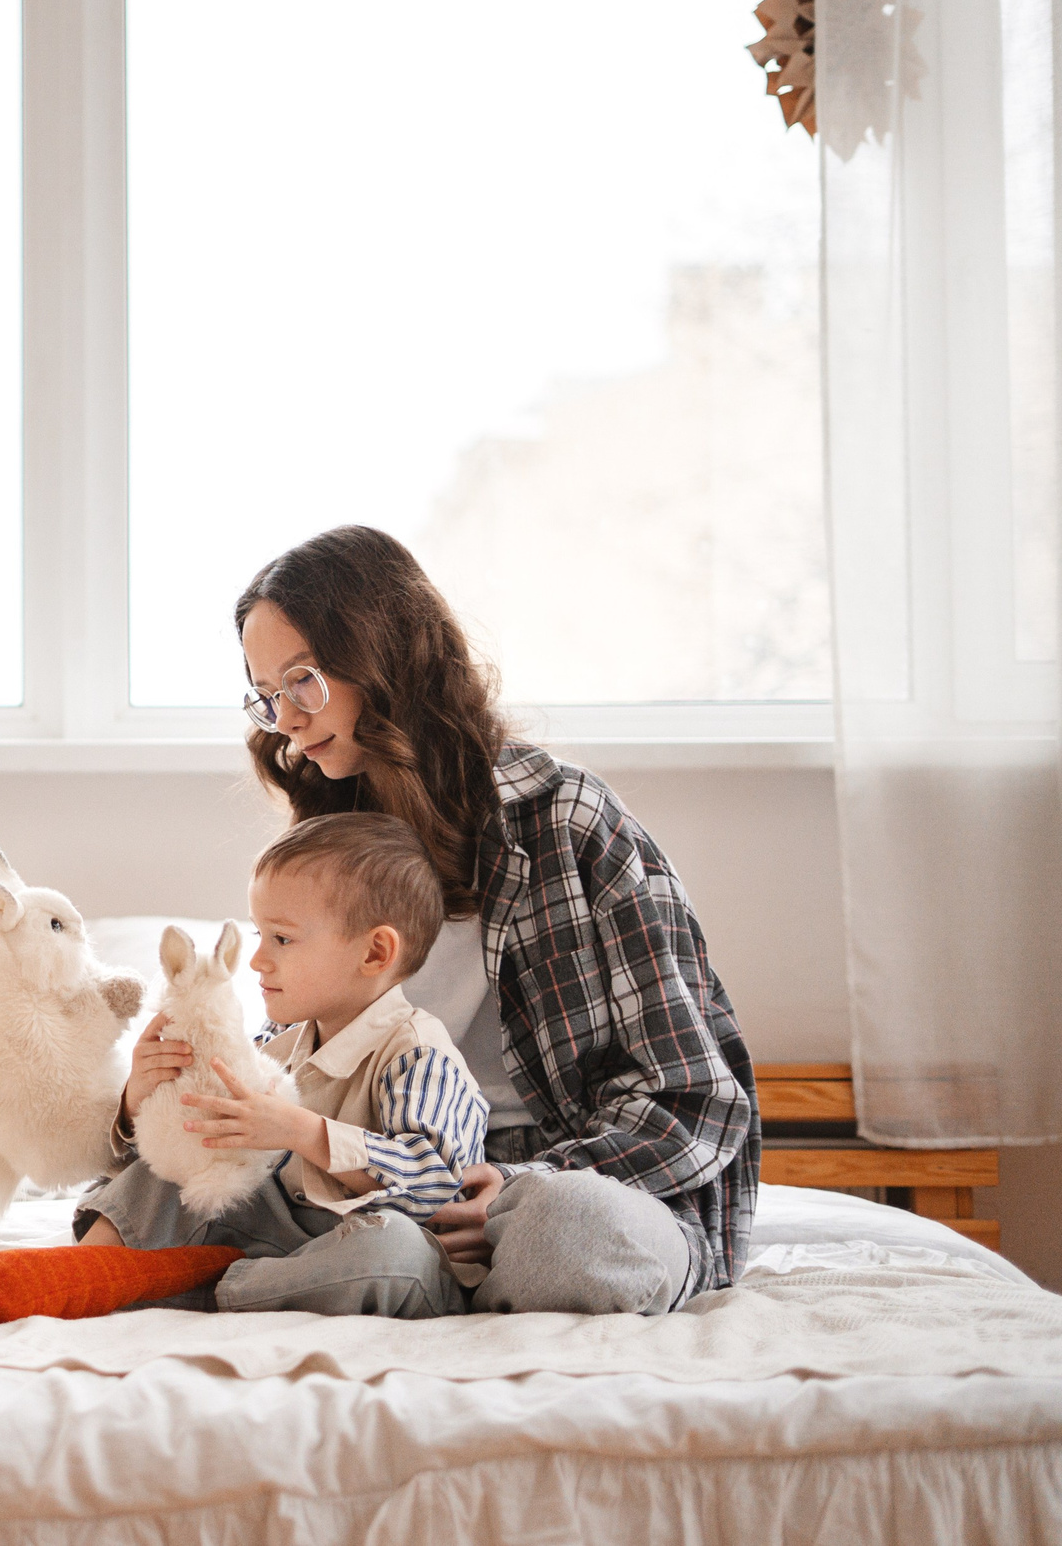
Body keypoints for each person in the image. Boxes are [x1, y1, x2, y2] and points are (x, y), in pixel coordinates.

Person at [118, 524, 759, 1315]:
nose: (282, 718)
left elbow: (694, 1099)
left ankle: (325, 1278)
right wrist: (167, 1091)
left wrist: (513, 1186)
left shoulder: (566, 821)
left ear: (386, 657)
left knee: (567, 1233)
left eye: (303, 681)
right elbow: (306, 1065)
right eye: (266, 694)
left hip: (552, 1184)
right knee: (171, 1186)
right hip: (375, 1185)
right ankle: (382, 1273)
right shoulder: (331, 849)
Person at [78, 812, 489, 1318]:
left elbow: (434, 1188)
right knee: (187, 1159)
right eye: (257, 935)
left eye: (282, 939)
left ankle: (208, 1287)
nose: (255, 961)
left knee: (395, 1253)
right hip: (281, 1235)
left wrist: (303, 1131)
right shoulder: (278, 1040)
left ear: (375, 952)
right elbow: (181, 1153)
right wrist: (141, 1098)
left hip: (364, 1250)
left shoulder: (419, 1053)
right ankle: (77, 1270)